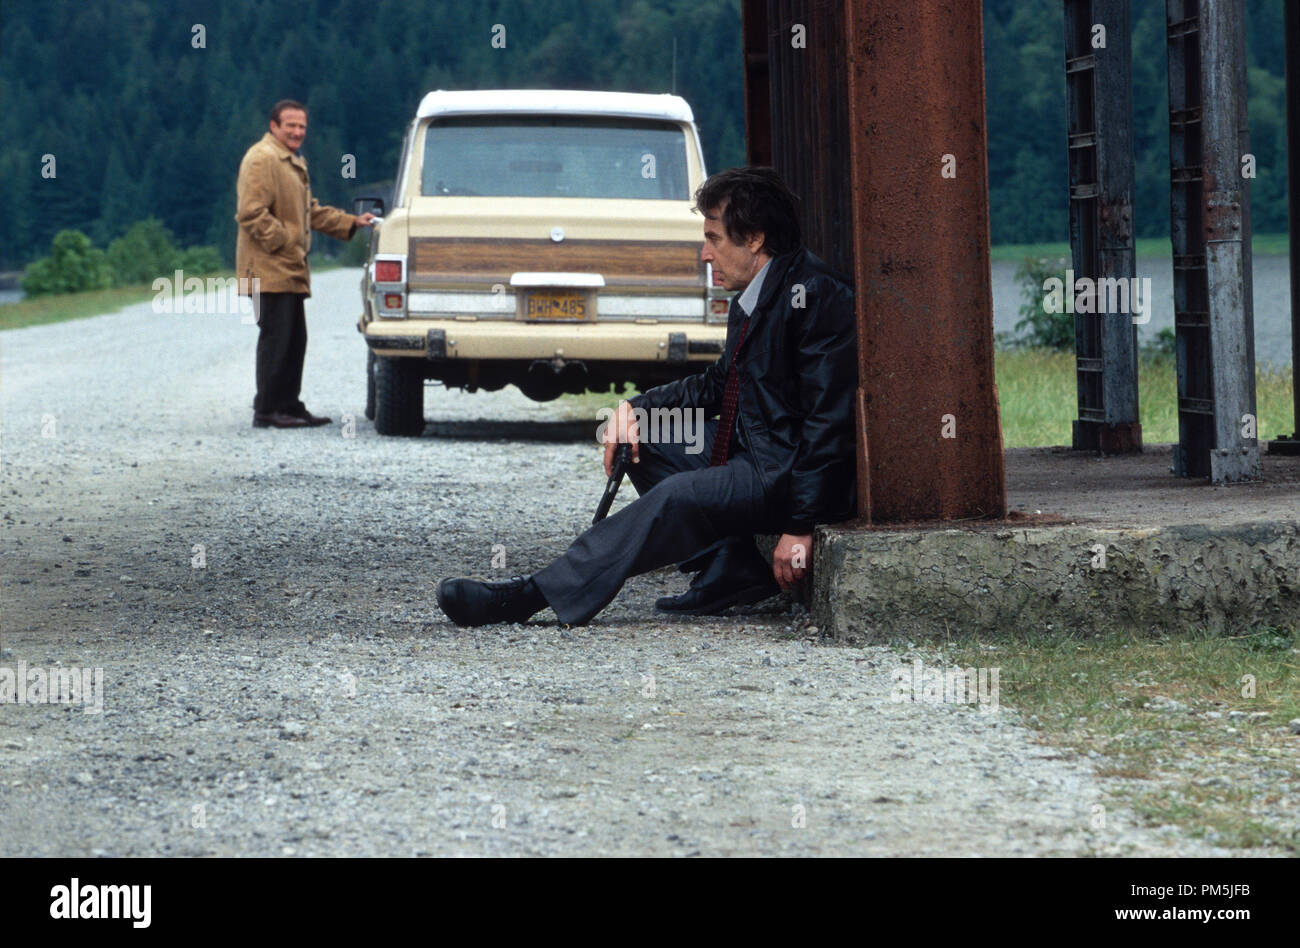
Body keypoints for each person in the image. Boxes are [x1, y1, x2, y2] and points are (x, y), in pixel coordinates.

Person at [437, 167, 857, 625]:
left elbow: (828, 422)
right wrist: (634, 410)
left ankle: (530, 595)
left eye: (714, 239)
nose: (705, 254)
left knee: (676, 496)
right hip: (756, 450)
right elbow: (718, 384)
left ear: (754, 238)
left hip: (781, 470)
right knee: (645, 438)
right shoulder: (757, 294)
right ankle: (728, 567)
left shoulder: (814, 296)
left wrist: (800, 527)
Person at [235, 99, 375, 429]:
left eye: (302, 127)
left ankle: (289, 405)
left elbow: (309, 211)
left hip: (287, 268)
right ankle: (268, 409)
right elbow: (250, 212)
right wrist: (286, 241)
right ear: (274, 126)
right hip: (267, 268)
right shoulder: (262, 159)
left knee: (294, 340)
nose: (298, 132)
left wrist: (352, 222)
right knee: (276, 339)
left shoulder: (291, 161)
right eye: (290, 126)